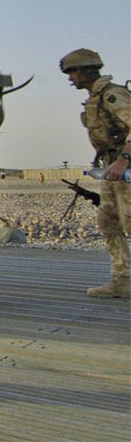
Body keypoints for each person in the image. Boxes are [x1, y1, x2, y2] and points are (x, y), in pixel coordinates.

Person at [60, 48, 131, 298]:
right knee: (109, 222)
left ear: (86, 71)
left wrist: (124, 160)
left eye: (73, 73)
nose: (70, 79)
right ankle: (123, 280)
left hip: (126, 168)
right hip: (112, 171)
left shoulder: (112, 95)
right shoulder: (96, 98)